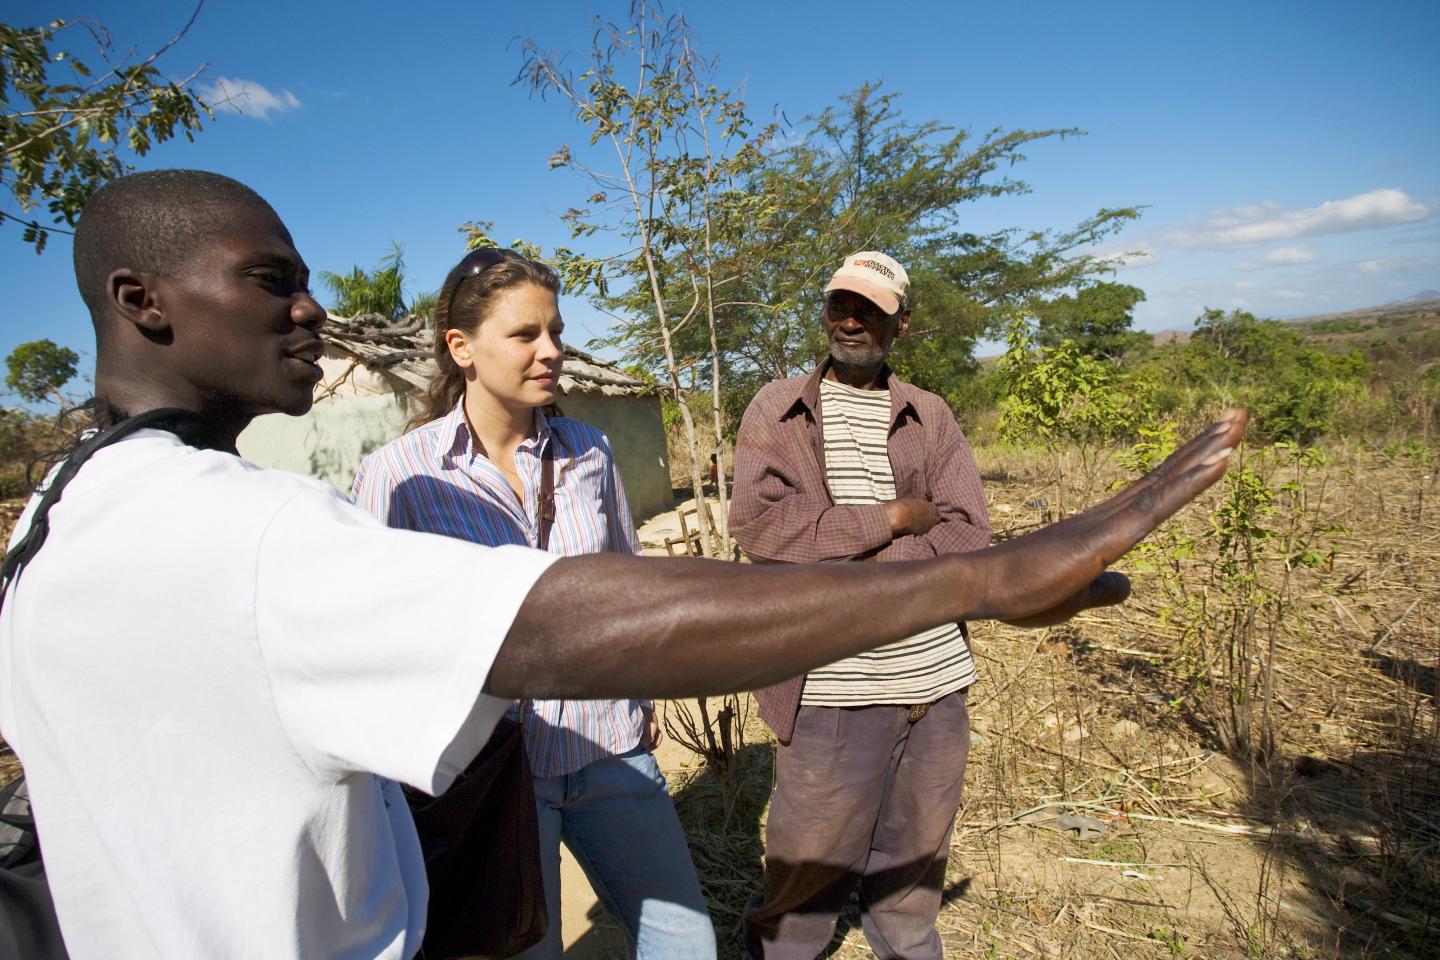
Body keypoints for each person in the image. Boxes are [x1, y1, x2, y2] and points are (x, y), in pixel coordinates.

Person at [0, 169, 1243, 959]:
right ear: (141, 299)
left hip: (607, 759)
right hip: (491, 783)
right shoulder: (274, 532)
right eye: (271, 281)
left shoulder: (58, 522)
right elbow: (563, 617)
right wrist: (973, 578)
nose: (313, 310)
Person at [351, 248, 715, 959]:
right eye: (525, 334)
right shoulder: (400, 477)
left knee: (685, 940)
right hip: (490, 776)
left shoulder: (589, 452)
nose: (551, 351)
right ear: (462, 348)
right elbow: (373, 639)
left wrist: (639, 704)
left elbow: (625, 583)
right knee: (524, 946)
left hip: (609, 747)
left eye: (556, 331)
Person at [729, 251, 984, 957]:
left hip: (935, 686)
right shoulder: (777, 411)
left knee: (913, 877)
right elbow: (762, 528)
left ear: (901, 323)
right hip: (832, 689)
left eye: (869, 309)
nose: (850, 321)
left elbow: (970, 533)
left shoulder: (930, 416)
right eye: (840, 304)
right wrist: (895, 519)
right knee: (804, 881)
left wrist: (847, 555)